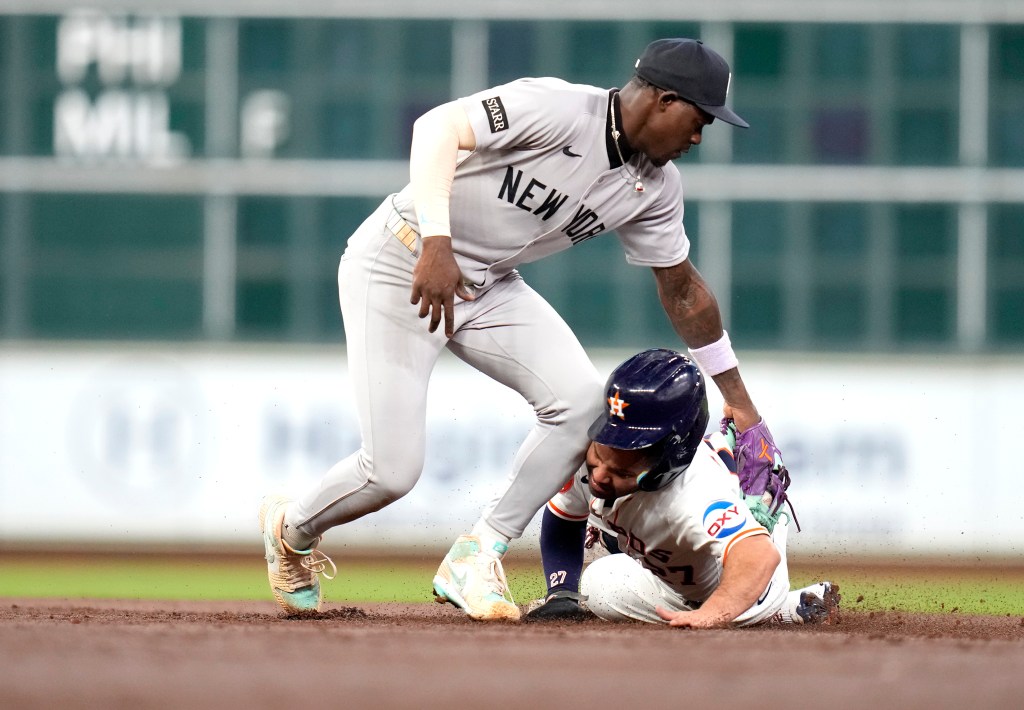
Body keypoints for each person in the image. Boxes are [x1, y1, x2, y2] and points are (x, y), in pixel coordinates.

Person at [259, 37, 786, 621]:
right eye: (699, 119)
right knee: (391, 472)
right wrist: (437, 240)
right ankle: (292, 530)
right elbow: (435, 128)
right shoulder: (560, 108)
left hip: (484, 283)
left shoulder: (654, 188)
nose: (698, 137)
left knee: (586, 407)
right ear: (664, 100)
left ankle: (477, 553)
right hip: (401, 261)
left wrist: (738, 398)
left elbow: (682, 289)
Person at [525, 348, 839, 628]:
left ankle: (780, 608)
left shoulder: (694, 496)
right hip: (671, 563)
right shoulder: (585, 451)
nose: (600, 475)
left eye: (622, 465)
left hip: (745, 573)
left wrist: (712, 613)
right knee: (594, 562)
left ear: (668, 458)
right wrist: (561, 592)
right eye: (601, 448)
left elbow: (758, 557)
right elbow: (565, 515)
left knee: (606, 585)